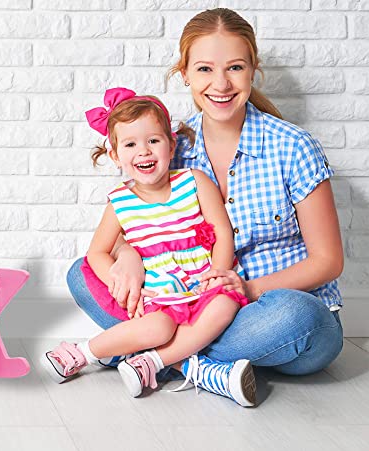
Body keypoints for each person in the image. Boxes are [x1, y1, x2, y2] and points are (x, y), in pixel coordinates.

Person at [65, 8, 344, 405]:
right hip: (190, 306)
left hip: (268, 310)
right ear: (185, 74)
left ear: (253, 70)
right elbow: (141, 221)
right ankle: (198, 366)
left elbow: (328, 261)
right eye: (204, 69)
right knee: (82, 274)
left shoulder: (293, 146)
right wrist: (127, 254)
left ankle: (155, 352)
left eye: (235, 67)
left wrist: (247, 288)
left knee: (298, 314)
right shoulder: (171, 146)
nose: (221, 84)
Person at [41, 88, 255, 406]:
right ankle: (83, 352)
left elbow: (222, 231)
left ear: (171, 145)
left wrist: (217, 273)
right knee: (157, 327)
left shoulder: (194, 181)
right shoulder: (120, 202)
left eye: (153, 140)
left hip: (203, 283)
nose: (144, 151)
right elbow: (97, 252)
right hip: (160, 293)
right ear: (115, 155)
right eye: (130, 144)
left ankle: (150, 362)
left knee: (225, 306)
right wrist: (124, 286)